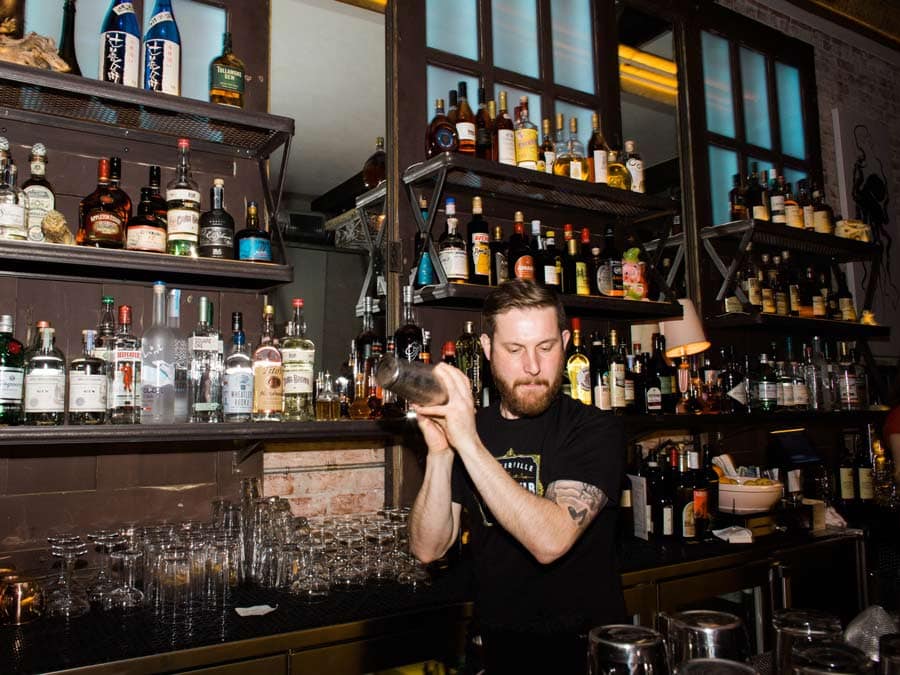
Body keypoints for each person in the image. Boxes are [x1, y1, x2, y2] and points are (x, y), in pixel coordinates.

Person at [408, 279, 626, 674]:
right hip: (499, 647)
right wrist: (441, 453)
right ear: (489, 349)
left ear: (564, 342)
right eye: (515, 349)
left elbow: (551, 540)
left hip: (586, 653)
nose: (533, 366)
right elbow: (429, 548)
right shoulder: (474, 431)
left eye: (546, 347)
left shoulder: (595, 429)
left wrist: (466, 442)